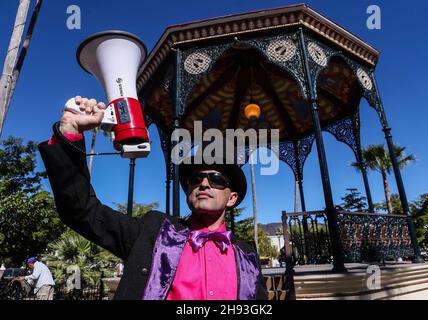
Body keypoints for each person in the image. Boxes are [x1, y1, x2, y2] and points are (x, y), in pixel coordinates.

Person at [38, 96, 267, 300]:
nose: (204, 183)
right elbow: (81, 211)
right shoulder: (153, 233)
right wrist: (69, 128)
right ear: (188, 189)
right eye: (196, 178)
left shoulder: (247, 255)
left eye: (217, 179)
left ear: (232, 198)